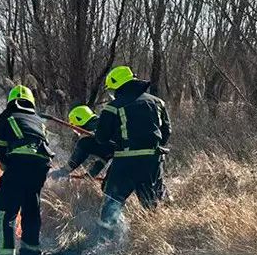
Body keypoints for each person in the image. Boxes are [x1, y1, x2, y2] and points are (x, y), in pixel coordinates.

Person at [93, 66, 171, 231]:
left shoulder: (113, 107)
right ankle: (156, 239)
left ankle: (104, 243)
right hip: (152, 161)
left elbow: (101, 138)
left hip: (125, 163)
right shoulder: (158, 102)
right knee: (152, 204)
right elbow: (166, 132)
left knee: (112, 202)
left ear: (118, 86)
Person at [0, 84, 53, 255]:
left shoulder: (4, 118)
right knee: (31, 207)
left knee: (6, 211)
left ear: (10, 102)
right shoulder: (39, 121)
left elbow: (1, 150)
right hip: (41, 166)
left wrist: (6, 163)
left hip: (19, 164)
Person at [50, 105, 109, 181]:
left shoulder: (86, 140)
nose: (77, 131)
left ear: (79, 121)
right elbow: (105, 155)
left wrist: (63, 171)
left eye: (75, 127)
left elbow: (75, 160)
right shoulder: (106, 123)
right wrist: (91, 174)